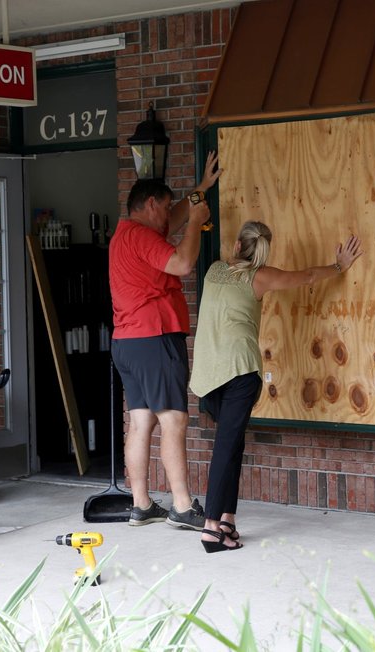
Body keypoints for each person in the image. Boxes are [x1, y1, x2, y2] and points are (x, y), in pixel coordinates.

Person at [190, 221, 363, 552]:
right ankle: (211, 528)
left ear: (239, 246)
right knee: (227, 448)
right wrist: (339, 266)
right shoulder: (260, 276)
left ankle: (226, 519)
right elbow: (308, 276)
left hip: (208, 375)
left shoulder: (214, 270)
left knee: (232, 444)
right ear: (263, 251)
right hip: (240, 372)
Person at [109, 152, 221, 530]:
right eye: (166, 207)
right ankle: (183, 506)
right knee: (173, 420)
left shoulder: (125, 234)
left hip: (127, 342)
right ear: (152, 203)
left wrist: (200, 190)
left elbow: (171, 221)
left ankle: (141, 505)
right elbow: (182, 263)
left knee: (140, 422)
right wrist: (197, 224)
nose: (169, 217)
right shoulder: (143, 236)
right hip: (154, 337)